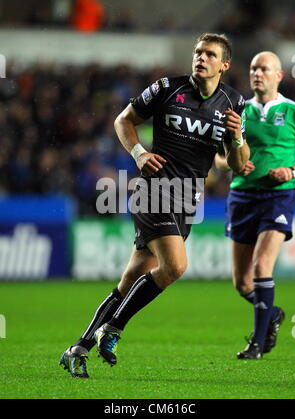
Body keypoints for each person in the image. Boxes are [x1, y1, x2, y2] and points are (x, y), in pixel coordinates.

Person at [60, 33, 250, 378]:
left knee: (132, 278)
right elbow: (124, 120)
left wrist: (237, 138)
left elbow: (234, 163)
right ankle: (114, 329)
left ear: (224, 65)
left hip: (188, 199)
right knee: (175, 266)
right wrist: (139, 153)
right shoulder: (167, 88)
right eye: (197, 52)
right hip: (155, 189)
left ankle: (79, 348)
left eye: (209, 54)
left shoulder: (233, 102)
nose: (201, 58)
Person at [215, 51, 295, 359]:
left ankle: (258, 343)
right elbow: (218, 158)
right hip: (242, 196)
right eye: (253, 68)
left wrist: (291, 171)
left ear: (278, 75)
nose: (257, 73)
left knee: (262, 266)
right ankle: (272, 313)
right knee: (242, 283)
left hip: (279, 194)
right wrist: (232, 166)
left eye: (264, 68)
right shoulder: (236, 112)